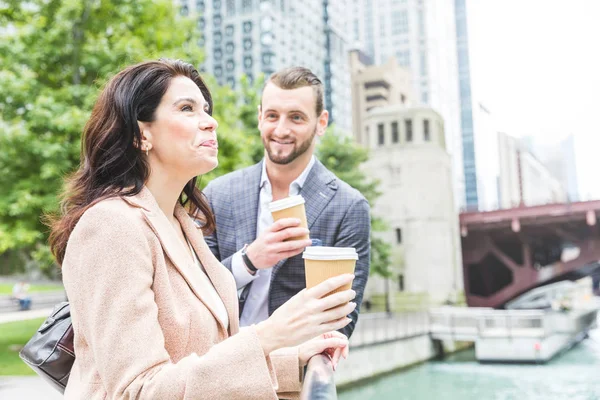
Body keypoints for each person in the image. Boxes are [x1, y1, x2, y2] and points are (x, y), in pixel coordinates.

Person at [48, 59, 355, 399]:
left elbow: (207, 354)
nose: (211, 122)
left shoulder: (184, 225)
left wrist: (295, 358)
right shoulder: (111, 227)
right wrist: (270, 334)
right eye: (187, 108)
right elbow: (139, 390)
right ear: (141, 134)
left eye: (206, 110)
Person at [203, 67, 370, 338]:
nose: (281, 130)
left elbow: (343, 318)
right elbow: (194, 290)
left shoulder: (349, 206)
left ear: (321, 122)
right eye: (272, 116)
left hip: (293, 368)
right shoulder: (218, 194)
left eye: (296, 117)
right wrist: (250, 259)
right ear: (259, 118)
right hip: (219, 361)